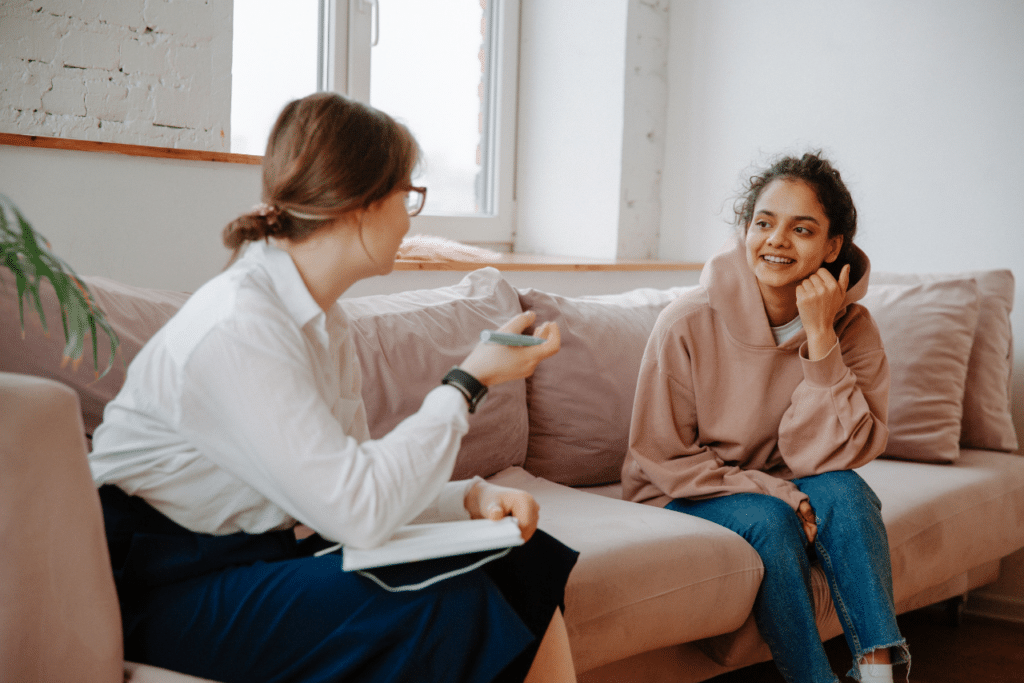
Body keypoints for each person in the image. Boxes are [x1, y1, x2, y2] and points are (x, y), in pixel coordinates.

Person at [89, 92, 578, 683]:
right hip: (158, 587)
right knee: (443, 604)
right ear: (360, 203)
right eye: (409, 195)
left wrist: (468, 499)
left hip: (249, 558)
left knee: (523, 559)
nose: (411, 215)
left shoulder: (324, 321)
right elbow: (359, 513)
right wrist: (468, 381)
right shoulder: (242, 324)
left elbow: (353, 477)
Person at [621, 153, 908, 683]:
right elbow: (661, 456)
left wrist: (821, 341)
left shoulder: (854, 329)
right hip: (682, 491)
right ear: (745, 231)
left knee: (847, 491)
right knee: (772, 521)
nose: (776, 240)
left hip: (780, 482)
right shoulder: (685, 322)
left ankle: (879, 672)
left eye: (802, 229)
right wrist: (779, 493)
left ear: (832, 247)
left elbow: (835, 457)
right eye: (764, 223)